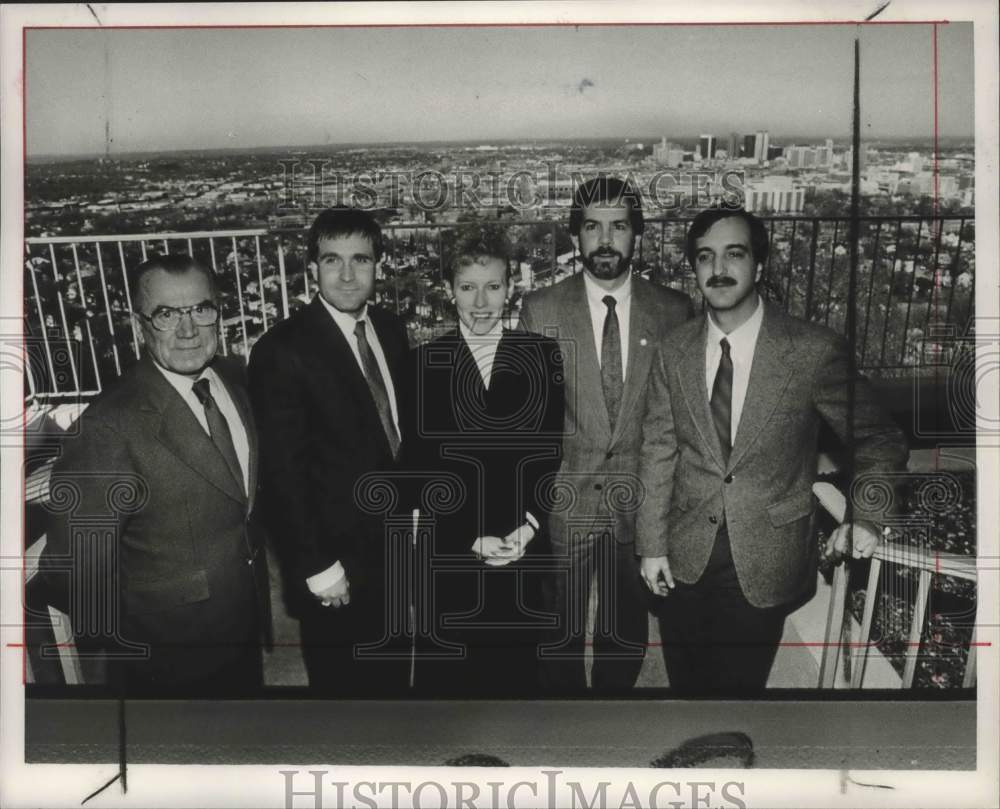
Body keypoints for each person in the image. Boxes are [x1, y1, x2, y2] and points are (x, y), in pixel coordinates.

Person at [636, 207, 909, 694]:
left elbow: (879, 437)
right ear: (694, 269)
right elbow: (658, 450)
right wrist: (651, 546)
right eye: (705, 257)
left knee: (740, 698)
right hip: (683, 558)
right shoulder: (673, 351)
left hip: (766, 558)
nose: (718, 269)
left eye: (734, 254)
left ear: (760, 266)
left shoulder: (811, 350)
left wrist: (865, 515)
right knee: (685, 692)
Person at [41, 253, 271, 695]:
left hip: (243, 627)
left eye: (200, 310)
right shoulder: (107, 427)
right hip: (166, 660)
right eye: (166, 314)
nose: (187, 330)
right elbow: (73, 570)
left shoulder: (235, 380)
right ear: (138, 324)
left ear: (218, 313)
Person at [517, 176, 694, 692]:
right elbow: (532, 423)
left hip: (639, 501)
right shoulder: (542, 309)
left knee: (626, 628)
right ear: (577, 236)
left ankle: (615, 714)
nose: (605, 240)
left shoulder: (674, 311)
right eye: (592, 227)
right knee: (561, 627)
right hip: (566, 496)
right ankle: (570, 721)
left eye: (619, 227)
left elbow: (678, 419)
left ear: (636, 234)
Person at [248, 207, 410, 694]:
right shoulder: (282, 350)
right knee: (343, 695)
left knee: (393, 679)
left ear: (378, 265)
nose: (346, 273)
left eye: (360, 259)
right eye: (332, 259)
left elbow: (398, 436)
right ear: (312, 268)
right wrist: (316, 567)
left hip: (393, 550)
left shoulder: (390, 328)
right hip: (333, 561)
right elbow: (281, 475)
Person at [401, 228, 564, 696]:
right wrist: (471, 537)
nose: (480, 302)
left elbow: (548, 455)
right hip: (453, 550)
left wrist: (528, 527)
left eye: (492, 286)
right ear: (450, 291)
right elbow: (419, 469)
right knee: (451, 695)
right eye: (468, 287)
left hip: (521, 543)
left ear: (511, 288)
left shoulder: (542, 356)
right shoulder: (420, 366)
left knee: (517, 687)